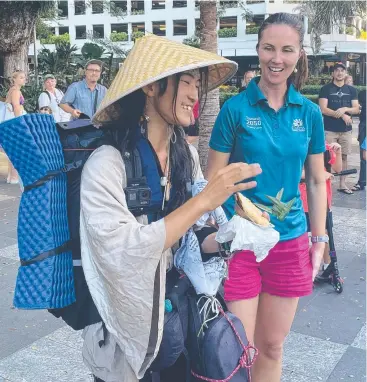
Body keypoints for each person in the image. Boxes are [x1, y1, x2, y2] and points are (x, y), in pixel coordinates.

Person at [78, 34, 261, 382]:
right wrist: (204, 200)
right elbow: (122, 252)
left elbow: (188, 238)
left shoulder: (183, 153)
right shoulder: (107, 164)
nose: (195, 95)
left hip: (177, 320)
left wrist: (226, 238)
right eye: (186, 83)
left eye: (197, 84)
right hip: (127, 338)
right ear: (150, 88)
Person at [206, 13, 327, 382]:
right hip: (243, 241)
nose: (277, 58)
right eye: (269, 48)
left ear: (299, 54)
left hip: (289, 241)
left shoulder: (308, 113)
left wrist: (318, 240)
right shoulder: (234, 110)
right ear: (257, 51)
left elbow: (317, 181)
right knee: (241, 351)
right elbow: (213, 180)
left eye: (286, 50)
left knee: (273, 346)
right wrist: (221, 230)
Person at [300, 142, 342, 272]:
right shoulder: (298, 145)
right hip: (303, 202)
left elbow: (338, 169)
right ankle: (304, 267)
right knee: (303, 235)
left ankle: (327, 265)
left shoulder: (325, 147)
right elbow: (293, 173)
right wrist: (318, 175)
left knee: (325, 233)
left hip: (323, 201)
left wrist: (338, 152)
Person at [319, 62, 360, 195]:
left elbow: (356, 109)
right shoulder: (326, 89)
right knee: (327, 157)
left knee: (344, 157)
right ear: (333, 73)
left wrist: (345, 109)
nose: (339, 73)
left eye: (342, 70)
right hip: (330, 129)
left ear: (345, 73)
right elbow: (323, 109)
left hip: (346, 131)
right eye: (337, 70)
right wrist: (342, 115)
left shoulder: (351, 90)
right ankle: (326, 184)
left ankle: (342, 184)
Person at [4, 70, 27, 184]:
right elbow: (16, 107)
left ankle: (11, 176)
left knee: (13, 149)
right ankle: (14, 177)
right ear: (15, 79)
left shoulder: (13, 90)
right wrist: (20, 122)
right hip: (14, 122)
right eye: (21, 77)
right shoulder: (16, 91)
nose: (24, 79)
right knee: (16, 149)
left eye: (24, 77)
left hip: (10, 121)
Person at [351, 89, 366, 191]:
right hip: (364, 127)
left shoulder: (362, 93)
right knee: (364, 157)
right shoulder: (362, 93)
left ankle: (362, 181)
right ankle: (362, 181)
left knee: (364, 157)